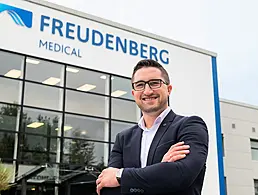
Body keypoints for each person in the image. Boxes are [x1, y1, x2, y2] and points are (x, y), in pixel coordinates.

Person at [96, 59, 209, 195]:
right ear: (133, 93)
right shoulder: (124, 138)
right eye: (140, 85)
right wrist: (161, 170)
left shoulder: (190, 126)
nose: (148, 91)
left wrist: (121, 176)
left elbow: (182, 175)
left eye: (154, 83)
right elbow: (108, 190)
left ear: (169, 89)